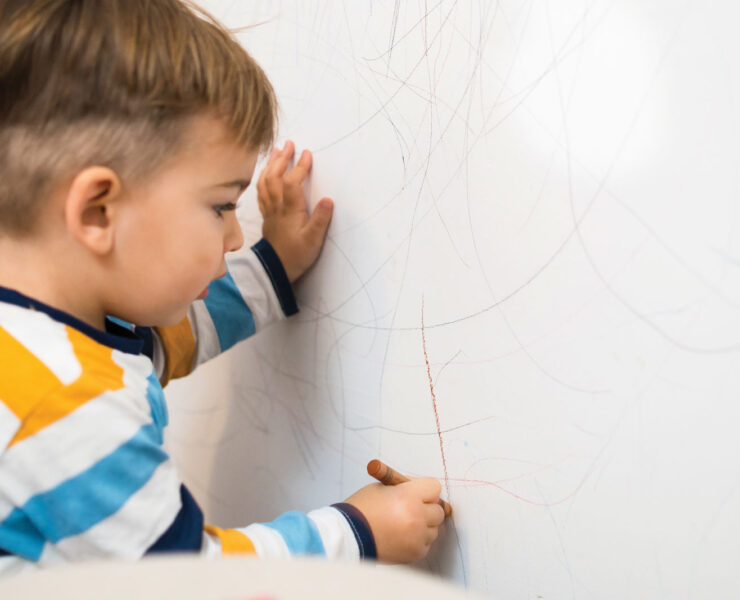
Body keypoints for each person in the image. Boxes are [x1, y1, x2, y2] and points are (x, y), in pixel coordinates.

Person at [0, 0, 447, 575]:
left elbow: (163, 342)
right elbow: (187, 578)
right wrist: (358, 533)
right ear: (98, 210)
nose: (236, 236)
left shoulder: (42, 337)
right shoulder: (67, 403)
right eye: (220, 206)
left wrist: (273, 268)